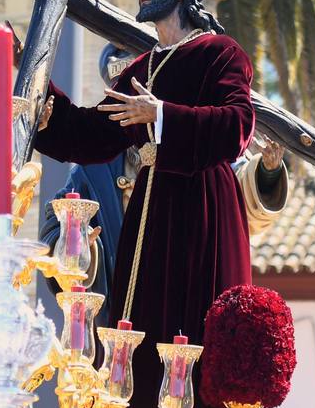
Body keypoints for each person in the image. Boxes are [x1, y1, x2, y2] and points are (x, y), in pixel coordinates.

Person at [34, 0, 255, 408]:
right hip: (152, 216)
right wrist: (49, 108)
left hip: (202, 206)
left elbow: (237, 125)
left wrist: (162, 116)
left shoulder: (221, 53)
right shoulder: (144, 65)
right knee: (140, 323)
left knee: (192, 324)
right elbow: (97, 134)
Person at [39, 44, 288, 306]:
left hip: (189, 283)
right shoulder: (92, 170)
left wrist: (267, 174)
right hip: (126, 300)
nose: (132, 108)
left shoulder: (195, 149)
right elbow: (57, 221)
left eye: (139, 96)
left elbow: (237, 187)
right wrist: (76, 246)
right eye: (124, 97)